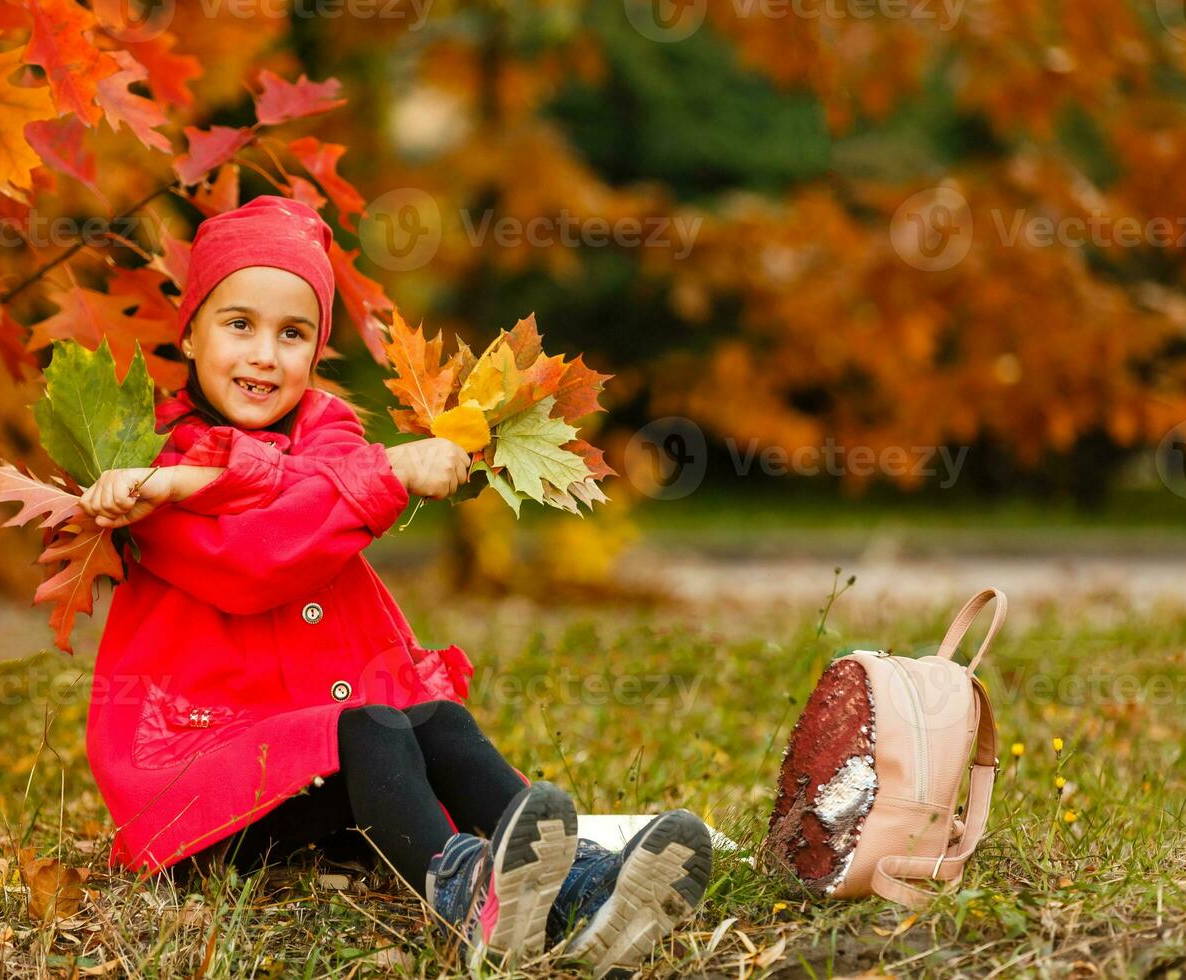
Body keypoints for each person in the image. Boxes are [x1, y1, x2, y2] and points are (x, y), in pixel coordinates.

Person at [77, 194, 712, 973]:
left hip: (309, 770)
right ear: (192, 331)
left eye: (293, 333)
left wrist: (381, 468)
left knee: (433, 720)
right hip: (199, 783)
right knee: (370, 728)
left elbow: (308, 479)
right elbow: (255, 559)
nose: (263, 355)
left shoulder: (331, 434)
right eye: (238, 324)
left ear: (315, 351)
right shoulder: (162, 462)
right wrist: (386, 473)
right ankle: (464, 900)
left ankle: (582, 883)